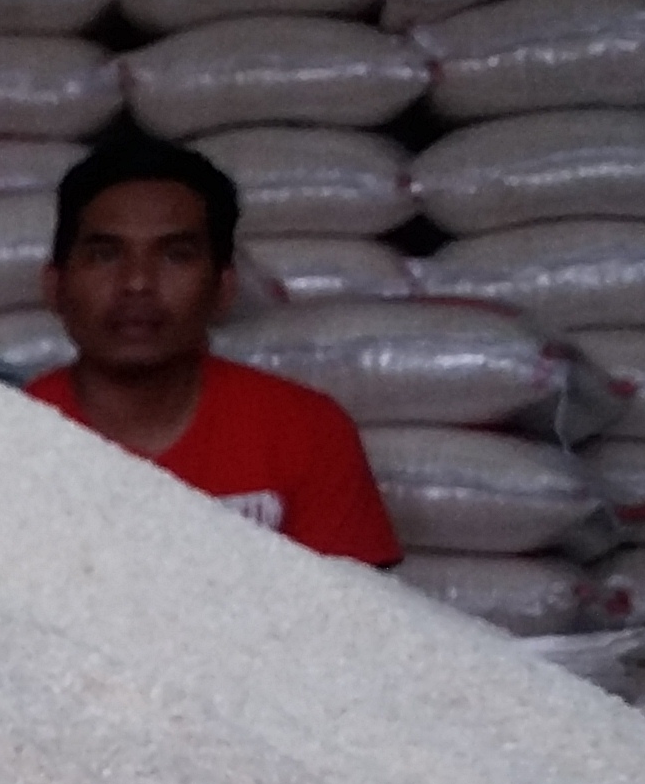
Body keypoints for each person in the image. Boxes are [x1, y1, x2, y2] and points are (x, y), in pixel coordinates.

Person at [26, 131, 399, 566]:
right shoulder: (7, 438)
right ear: (55, 286)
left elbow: (357, 606)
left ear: (224, 289)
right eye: (105, 255)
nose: (137, 283)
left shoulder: (306, 432)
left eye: (175, 255)